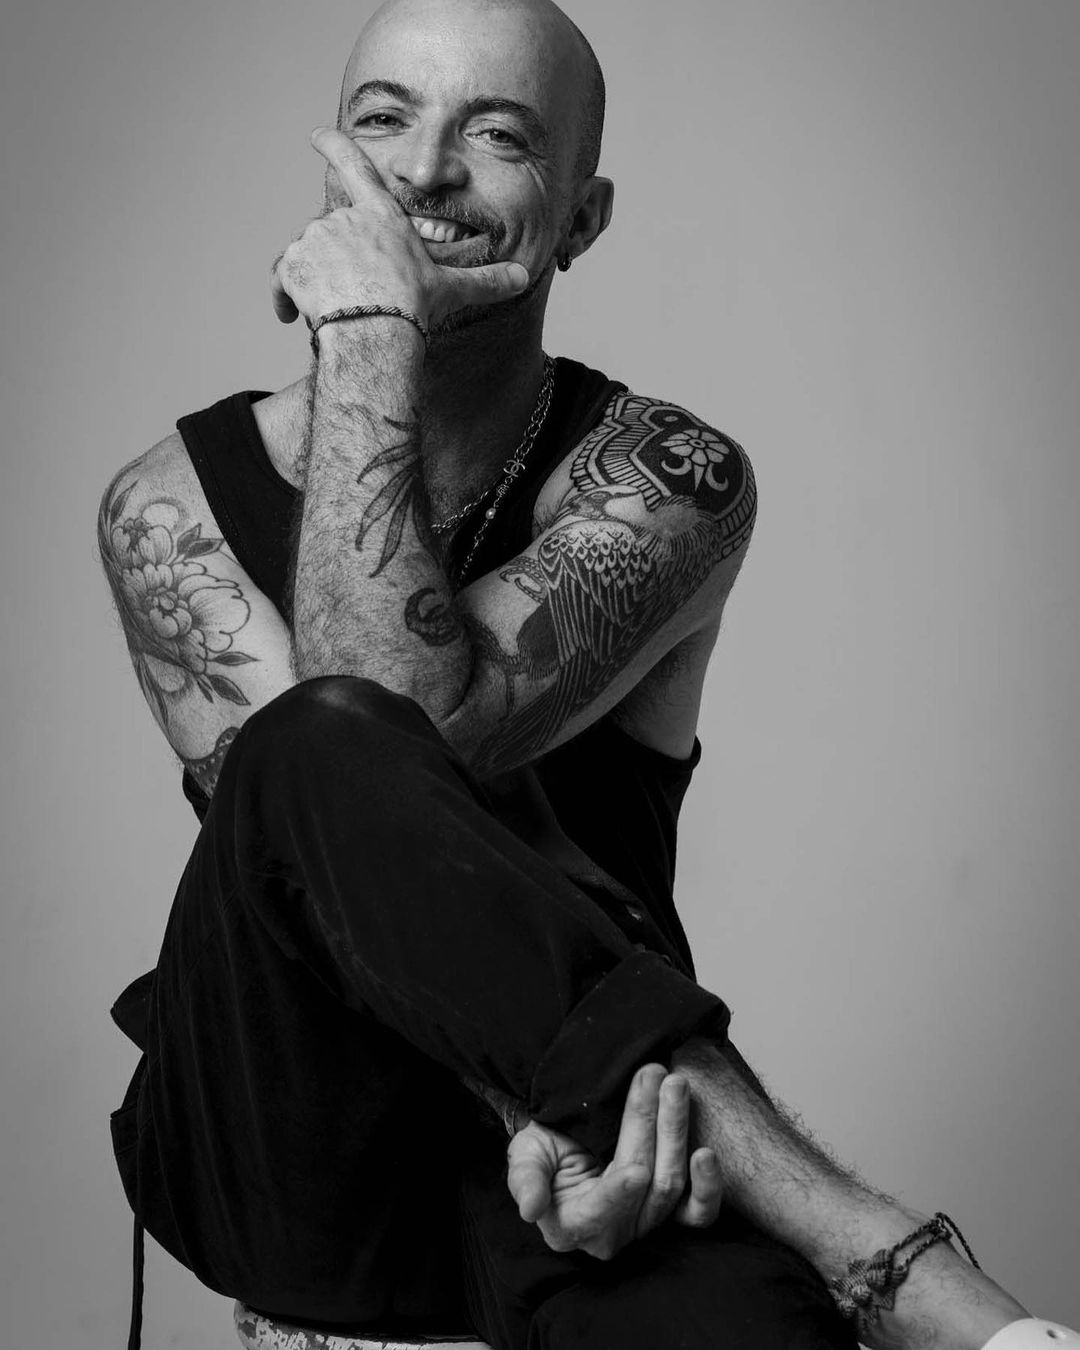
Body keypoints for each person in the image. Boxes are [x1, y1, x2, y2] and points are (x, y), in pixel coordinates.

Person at [99, 1, 1036, 1347]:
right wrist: (370, 332)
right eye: (382, 120)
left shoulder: (668, 477)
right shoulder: (166, 504)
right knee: (315, 738)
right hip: (286, 1138)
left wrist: (579, 1125)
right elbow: (359, 755)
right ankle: (878, 1248)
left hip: (611, 1143)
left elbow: (425, 753)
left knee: (749, 1330)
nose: (425, 171)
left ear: (582, 219)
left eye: (497, 136)